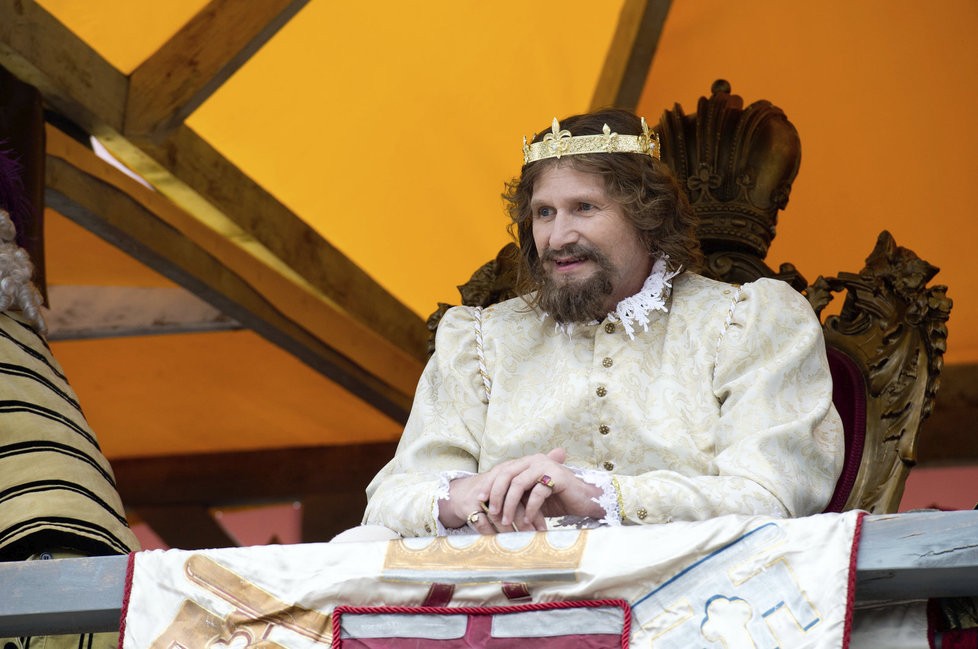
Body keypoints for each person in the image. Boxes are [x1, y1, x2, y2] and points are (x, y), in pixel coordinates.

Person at [361, 108, 843, 537]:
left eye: (584, 208)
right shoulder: (479, 341)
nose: (557, 237)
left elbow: (771, 494)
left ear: (647, 216)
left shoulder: (750, 322)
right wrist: (462, 496)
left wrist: (597, 497)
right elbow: (389, 500)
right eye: (544, 213)